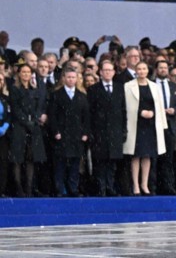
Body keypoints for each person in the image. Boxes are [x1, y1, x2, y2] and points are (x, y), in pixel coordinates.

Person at [123, 61, 165, 195]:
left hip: (151, 125)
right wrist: (140, 112)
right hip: (136, 124)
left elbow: (159, 105)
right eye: (139, 69)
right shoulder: (128, 86)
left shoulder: (154, 86)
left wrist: (155, 115)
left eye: (144, 69)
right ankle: (135, 185)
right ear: (136, 71)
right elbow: (127, 106)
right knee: (136, 156)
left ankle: (144, 184)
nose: (141, 71)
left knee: (147, 156)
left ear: (148, 70)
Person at [88, 60, 127, 197]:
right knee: (100, 162)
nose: (107, 72)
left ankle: (110, 186)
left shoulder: (120, 88)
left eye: (110, 70)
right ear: (100, 72)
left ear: (114, 72)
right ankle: (101, 187)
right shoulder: (93, 89)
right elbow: (90, 113)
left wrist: (123, 131)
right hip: (99, 132)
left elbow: (123, 111)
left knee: (112, 163)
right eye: (105, 70)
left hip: (115, 132)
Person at [49, 67, 90, 196]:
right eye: (69, 77)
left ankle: (73, 188)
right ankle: (60, 189)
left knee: (75, 164)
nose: (71, 79)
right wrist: (55, 131)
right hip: (62, 135)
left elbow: (86, 117)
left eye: (73, 77)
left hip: (77, 136)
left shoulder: (82, 96)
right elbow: (52, 115)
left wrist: (85, 133)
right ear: (64, 78)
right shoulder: (56, 95)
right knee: (60, 164)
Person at [8, 62, 46, 197]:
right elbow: (16, 109)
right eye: (23, 72)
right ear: (19, 74)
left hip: (33, 128)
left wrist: (34, 119)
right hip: (19, 128)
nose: (26, 75)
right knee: (17, 159)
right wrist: (26, 121)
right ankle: (19, 188)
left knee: (31, 159)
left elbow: (37, 107)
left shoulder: (34, 89)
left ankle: (29, 188)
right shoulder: (14, 89)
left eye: (28, 72)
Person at [153, 59, 176, 195]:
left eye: (165, 68)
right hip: (154, 125)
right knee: (153, 158)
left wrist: (174, 111)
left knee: (168, 159)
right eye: (161, 67)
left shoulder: (173, 86)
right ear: (156, 69)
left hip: (170, 125)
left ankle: (168, 186)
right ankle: (153, 187)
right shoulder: (150, 85)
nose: (163, 70)